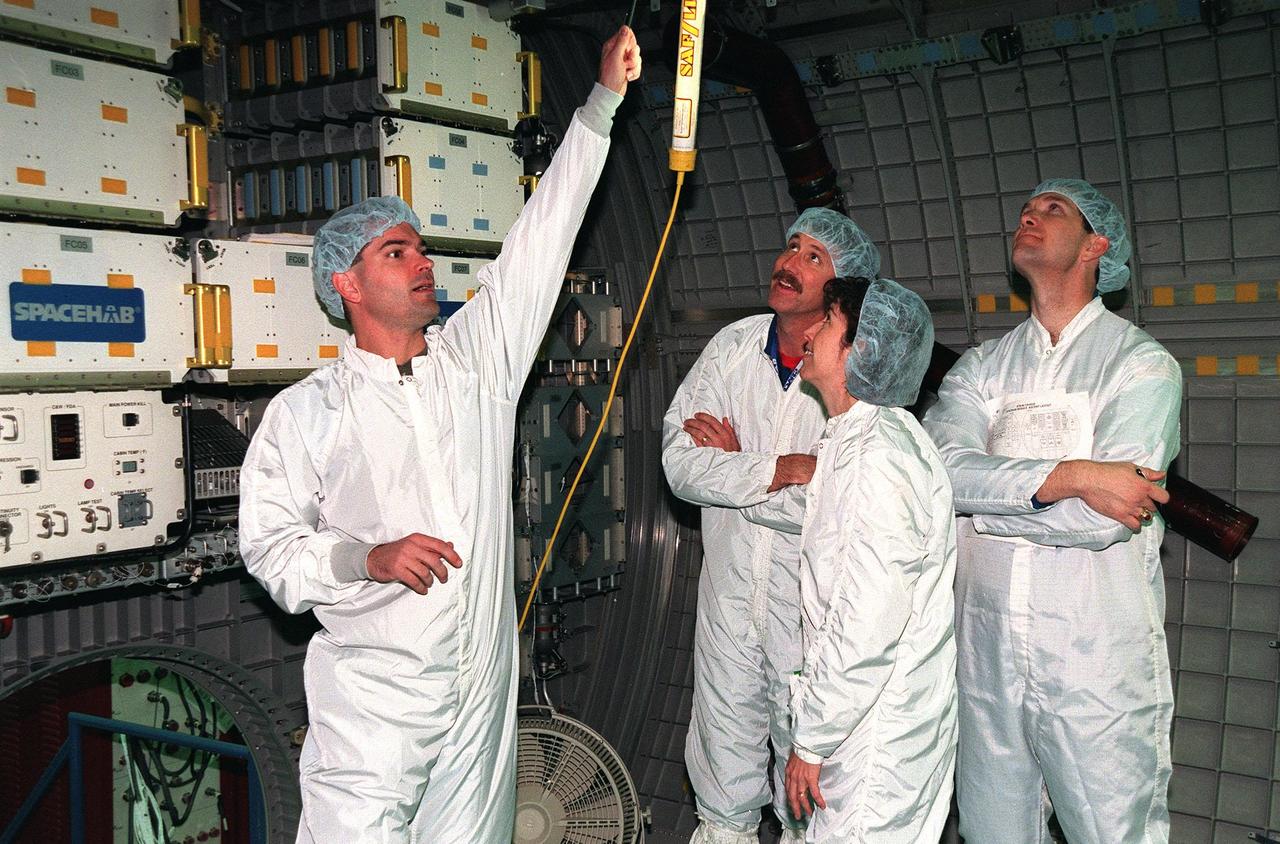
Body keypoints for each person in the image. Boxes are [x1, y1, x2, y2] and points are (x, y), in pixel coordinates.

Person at [237, 28, 641, 843]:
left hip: (483, 696)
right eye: (397, 251)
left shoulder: (476, 366)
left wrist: (599, 106)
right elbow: (270, 552)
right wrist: (365, 557)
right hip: (377, 703)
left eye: (422, 249)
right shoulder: (307, 412)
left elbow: (540, 242)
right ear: (347, 284)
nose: (423, 262)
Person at [922, 179, 1181, 843]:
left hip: (1095, 661)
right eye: (1026, 210)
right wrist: (1071, 476)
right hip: (985, 661)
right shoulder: (979, 370)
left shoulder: (1140, 366)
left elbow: (1104, 518)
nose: (1029, 217)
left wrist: (986, 500)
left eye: (1052, 210)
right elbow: (939, 475)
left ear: (1097, 245)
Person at [661, 208, 882, 843]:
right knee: (721, 783)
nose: (791, 262)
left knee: (808, 793)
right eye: (792, 246)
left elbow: (837, 509)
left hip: (808, 618)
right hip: (728, 606)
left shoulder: (855, 370)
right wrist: (775, 470)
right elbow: (680, 464)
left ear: (842, 290)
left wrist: (732, 468)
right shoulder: (732, 347)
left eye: (815, 257)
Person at [780, 275, 956, 842]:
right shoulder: (857, 440)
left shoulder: (879, 456)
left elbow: (866, 621)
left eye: (826, 322)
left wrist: (812, 738)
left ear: (864, 346)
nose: (808, 331)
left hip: (876, 740)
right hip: (858, 724)